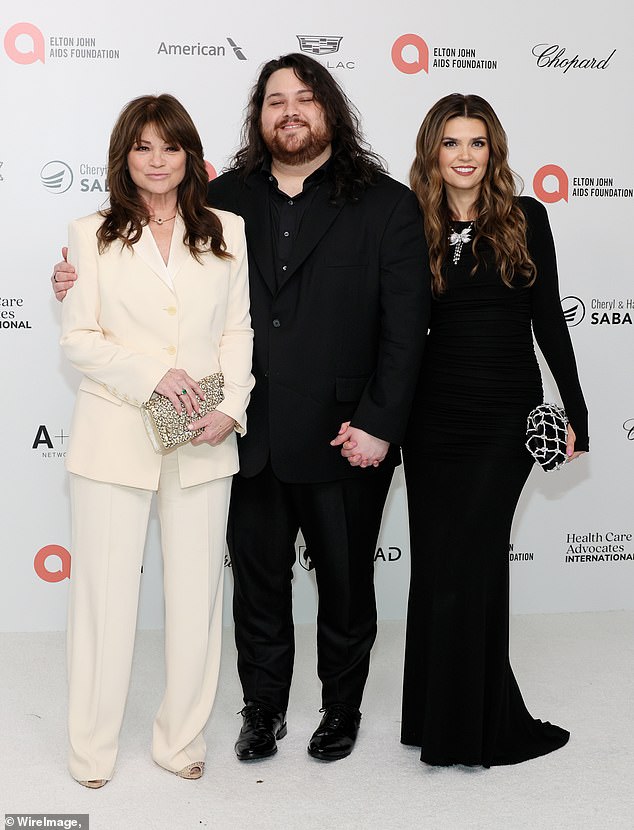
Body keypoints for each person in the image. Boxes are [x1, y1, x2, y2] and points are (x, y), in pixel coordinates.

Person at [53, 54, 430, 763]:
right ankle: (262, 712)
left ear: (330, 110)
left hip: (341, 434)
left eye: (305, 98)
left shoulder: (385, 202)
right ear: (257, 116)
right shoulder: (226, 201)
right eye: (274, 100)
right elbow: (140, 270)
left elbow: (406, 327)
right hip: (244, 439)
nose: (289, 111)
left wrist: (380, 422)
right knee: (255, 590)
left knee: (347, 587)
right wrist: (72, 278)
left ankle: (339, 711)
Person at [58, 94, 254, 787]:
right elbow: (78, 338)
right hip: (115, 435)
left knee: (196, 601)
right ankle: (92, 752)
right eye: (143, 147)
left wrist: (232, 406)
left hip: (204, 437)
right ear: (125, 157)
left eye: (169, 147)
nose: (157, 160)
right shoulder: (91, 234)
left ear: (189, 156)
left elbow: (237, 331)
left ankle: (180, 742)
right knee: (103, 600)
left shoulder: (227, 230)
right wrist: (151, 375)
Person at [400, 93, 588, 767]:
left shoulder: (525, 216)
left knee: (472, 566)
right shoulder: (409, 220)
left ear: (493, 151)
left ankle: (478, 726)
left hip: (504, 415)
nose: (464, 155)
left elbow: (549, 320)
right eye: (451, 142)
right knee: (437, 565)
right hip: (430, 420)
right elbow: (387, 325)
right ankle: (433, 719)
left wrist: (578, 411)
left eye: (477, 142)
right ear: (434, 151)